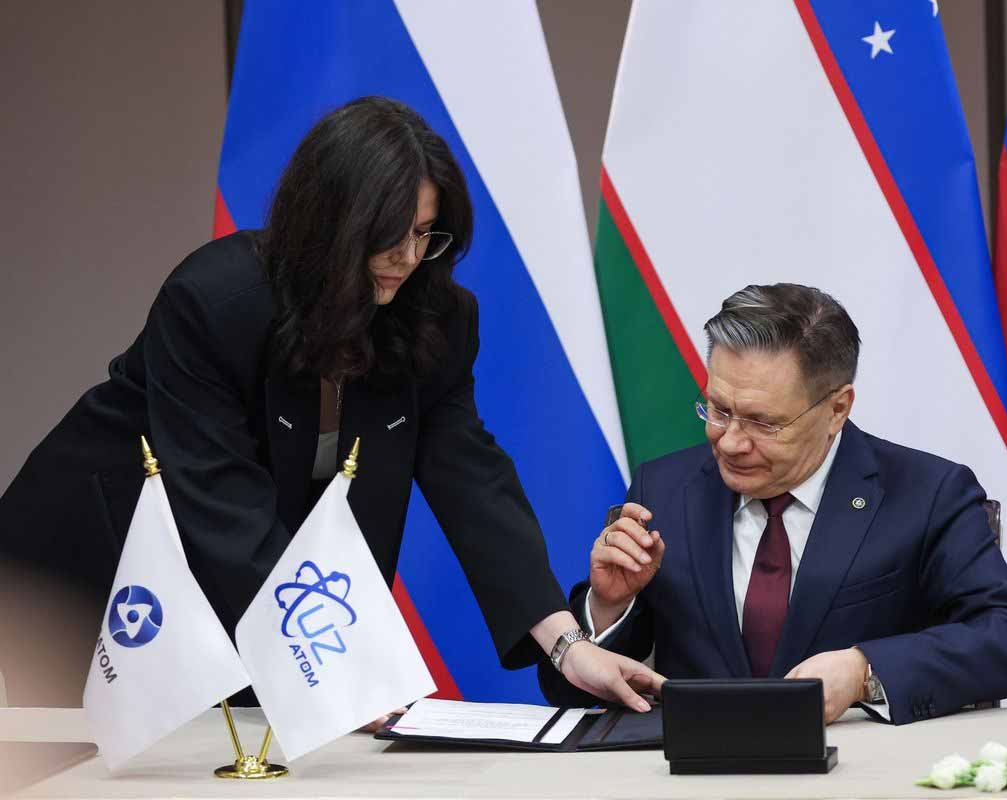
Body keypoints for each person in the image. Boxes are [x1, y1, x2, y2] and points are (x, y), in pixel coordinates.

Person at [0, 96, 661, 715]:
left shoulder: (433, 316)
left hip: (253, 586)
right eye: (389, 235)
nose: (408, 258)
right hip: (94, 568)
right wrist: (334, 669)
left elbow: (472, 479)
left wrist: (566, 644)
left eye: (425, 234)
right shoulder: (214, 301)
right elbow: (224, 504)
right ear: (331, 220)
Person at [539, 283, 1007, 724]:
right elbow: (569, 692)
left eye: (763, 422)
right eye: (718, 409)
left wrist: (865, 670)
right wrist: (608, 608)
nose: (730, 441)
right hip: (697, 777)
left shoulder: (925, 492)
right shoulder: (664, 488)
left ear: (837, 408)